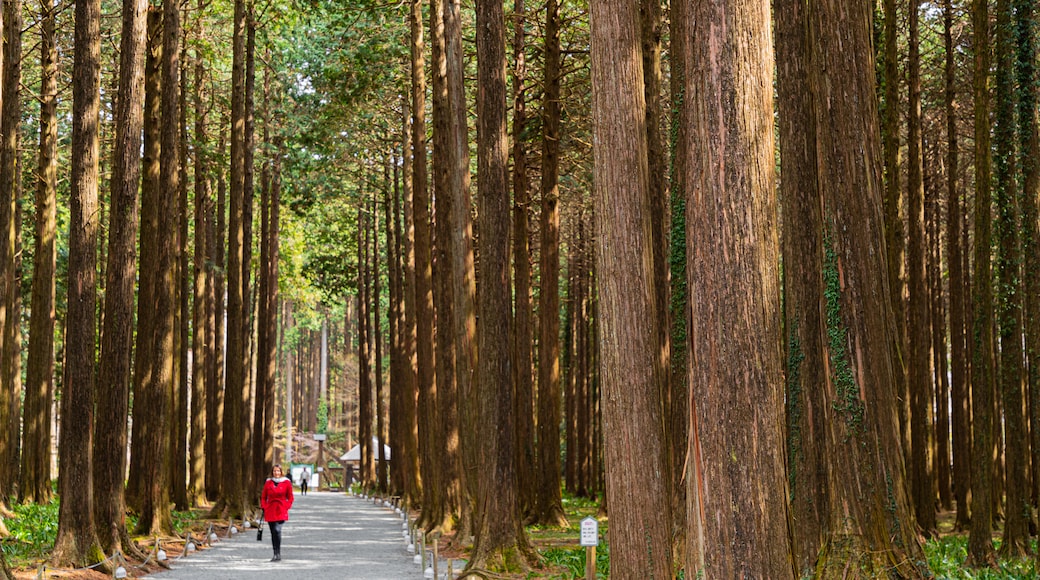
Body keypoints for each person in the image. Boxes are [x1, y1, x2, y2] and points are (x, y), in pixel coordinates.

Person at [260, 465, 294, 562]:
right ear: (272, 472)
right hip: (270, 509)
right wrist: (264, 506)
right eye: (275, 471)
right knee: (272, 532)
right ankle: (275, 553)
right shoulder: (268, 482)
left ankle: (278, 552)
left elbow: (290, 497)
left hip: (281, 509)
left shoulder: (286, 482)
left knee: (277, 530)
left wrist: (286, 506)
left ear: (281, 472)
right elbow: (263, 496)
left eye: (278, 471)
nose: (276, 473)